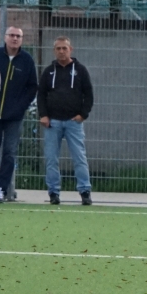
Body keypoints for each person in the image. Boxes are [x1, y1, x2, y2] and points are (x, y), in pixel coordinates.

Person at [37, 35, 94, 206]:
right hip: (52, 123)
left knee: (79, 158)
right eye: (58, 48)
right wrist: (43, 115)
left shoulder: (80, 70)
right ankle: (53, 193)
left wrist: (83, 115)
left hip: (73, 123)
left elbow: (89, 94)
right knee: (51, 159)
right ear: (54, 50)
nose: (61, 51)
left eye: (65, 48)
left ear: (71, 49)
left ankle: (85, 191)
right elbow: (41, 95)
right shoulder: (48, 72)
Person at [0, 25, 38, 203]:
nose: (15, 39)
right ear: (5, 37)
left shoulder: (27, 60)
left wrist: (21, 106)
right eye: (12, 35)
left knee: (9, 153)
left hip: (14, 116)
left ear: (22, 39)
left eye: (18, 36)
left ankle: (2, 189)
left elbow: (32, 87)